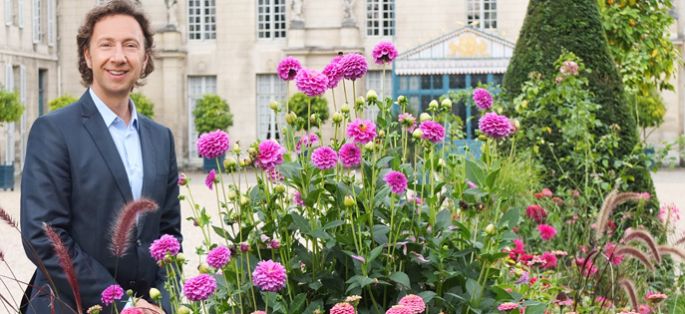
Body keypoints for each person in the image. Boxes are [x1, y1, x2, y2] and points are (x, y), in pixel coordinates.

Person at [20, 1, 181, 313]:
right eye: (106, 44)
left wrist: (163, 301)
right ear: (87, 55)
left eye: (130, 45)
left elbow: (169, 235)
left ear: (145, 57)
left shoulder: (161, 138)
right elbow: (44, 237)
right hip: (71, 306)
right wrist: (120, 304)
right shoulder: (52, 131)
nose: (118, 57)